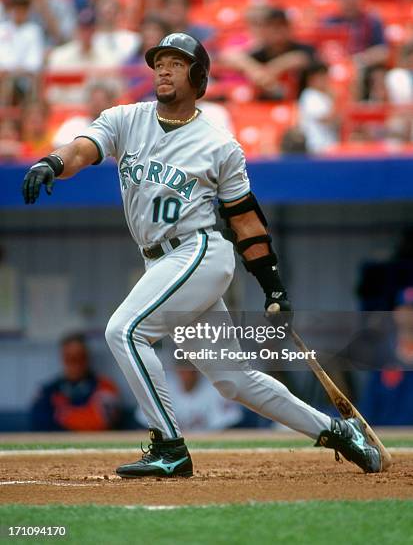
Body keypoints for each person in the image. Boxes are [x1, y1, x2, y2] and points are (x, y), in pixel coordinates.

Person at [22, 32, 383, 477]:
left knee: (125, 332)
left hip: (198, 251)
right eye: (159, 62)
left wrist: (273, 286)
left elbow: (246, 219)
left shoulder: (219, 143)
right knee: (235, 381)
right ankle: (339, 431)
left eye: (176, 62)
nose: (163, 69)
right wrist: (52, 163)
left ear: (198, 75)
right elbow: (82, 149)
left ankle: (169, 444)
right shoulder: (126, 119)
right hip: (163, 262)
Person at [30, 332, 120, 431]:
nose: (76, 364)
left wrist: (64, 415)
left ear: (87, 358)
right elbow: (39, 423)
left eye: (80, 357)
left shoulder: (105, 386)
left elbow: (100, 421)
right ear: (63, 358)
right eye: (70, 359)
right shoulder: (47, 390)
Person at [221, 7, 316, 100]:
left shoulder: (304, 48)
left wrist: (275, 68)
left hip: (301, 103)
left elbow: (301, 58)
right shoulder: (261, 51)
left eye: (281, 26)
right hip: (265, 102)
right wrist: (255, 70)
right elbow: (229, 56)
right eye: (272, 27)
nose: (278, 32)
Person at [360, 287, 413, 425]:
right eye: (407, 309)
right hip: (387, 433)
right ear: (396, 313)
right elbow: (369, 403)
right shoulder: (383, 353)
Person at [52, 81, 117, 148]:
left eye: (101, 100)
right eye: (93, 100)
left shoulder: (120, 128)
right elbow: (58, 146)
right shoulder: (74, 123)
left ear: (112, 103)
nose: (96, 104)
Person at [298, 61, 339, 154]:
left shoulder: (325, 96)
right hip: (315, 147)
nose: (325, 80)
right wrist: (336, 101)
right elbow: (326, 119)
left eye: (325, 76)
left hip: (329, 145)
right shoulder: (309, 95)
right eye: (321, 77)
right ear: (311, 79)